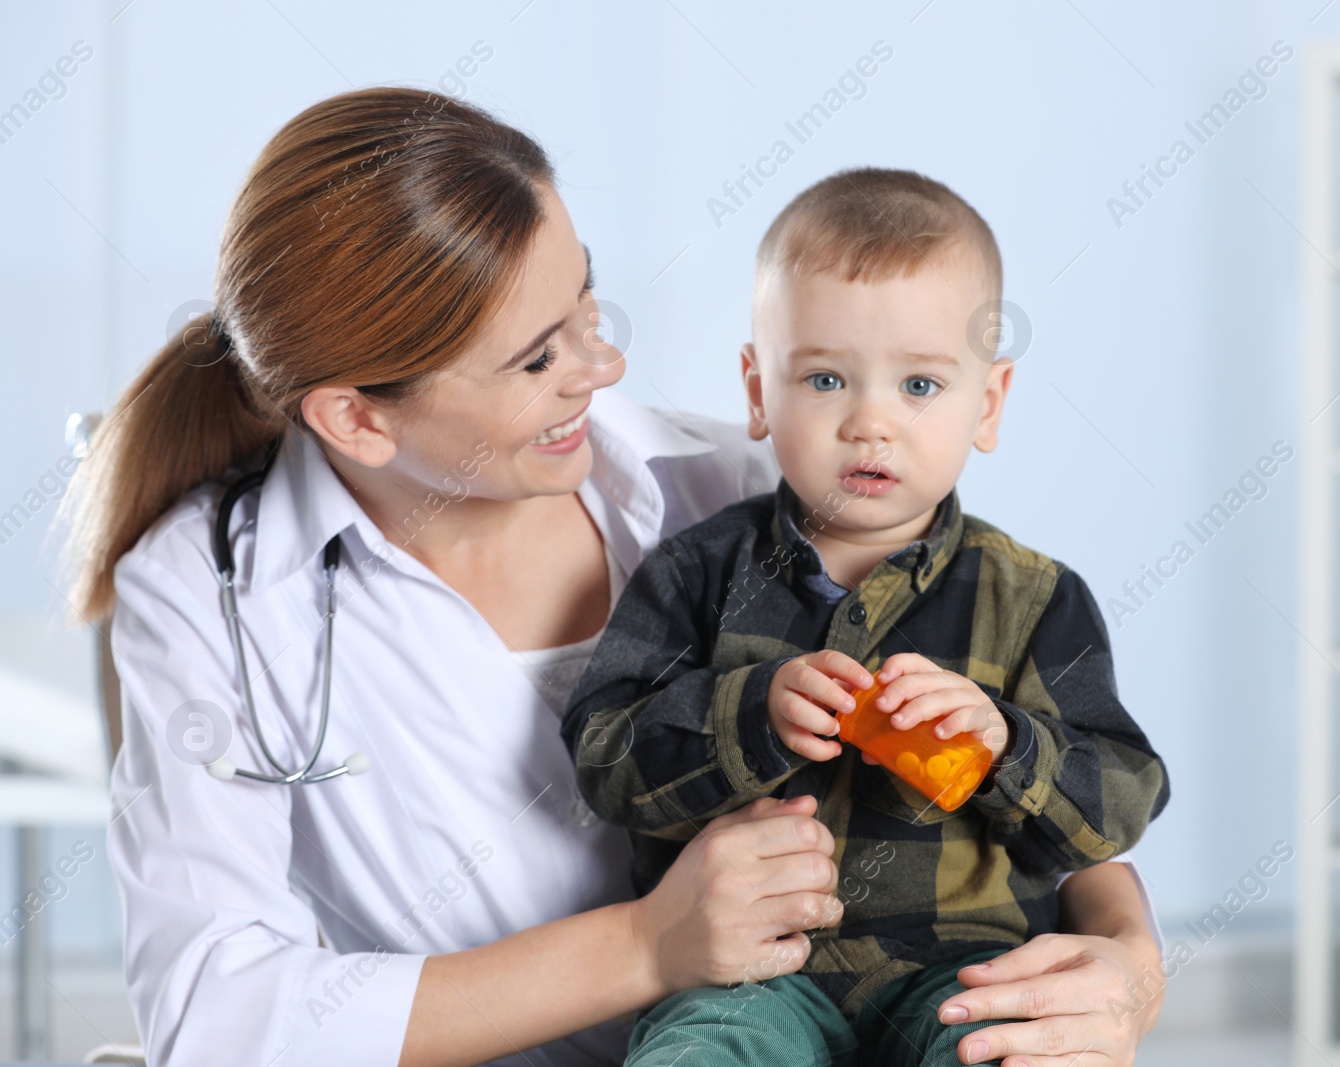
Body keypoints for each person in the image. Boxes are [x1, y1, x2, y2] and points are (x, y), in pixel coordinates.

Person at [64, 87, 1167, 1067]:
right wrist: (645, 944)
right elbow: (215, 1018)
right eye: (540, 355)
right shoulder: (209, 591)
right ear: (356, 415)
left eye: (588, 306)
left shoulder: (744, 493)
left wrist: (1127, 961)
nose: (606, 366)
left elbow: (1042, 770)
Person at [564, 168, 1170, 1066]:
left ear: (989, 402)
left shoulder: (1036, 597)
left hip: (963, 975)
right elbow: (605, 757)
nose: (870, 423)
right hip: (750, 977)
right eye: (825, 379)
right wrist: (750, 713)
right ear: (759, 392)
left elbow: (1118, 803)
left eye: (920, 386)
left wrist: (1005, 742)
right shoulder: (695, 572)